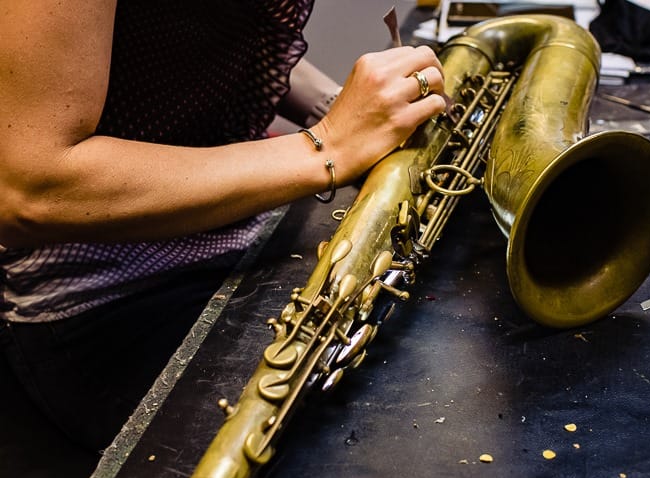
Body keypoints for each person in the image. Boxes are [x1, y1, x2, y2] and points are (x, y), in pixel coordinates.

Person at [0, 0, 447, 452]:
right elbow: (28, 190)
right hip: (108, 300)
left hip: (232, 229)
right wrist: (329, 144)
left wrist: (345, 110)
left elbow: (189, 31)